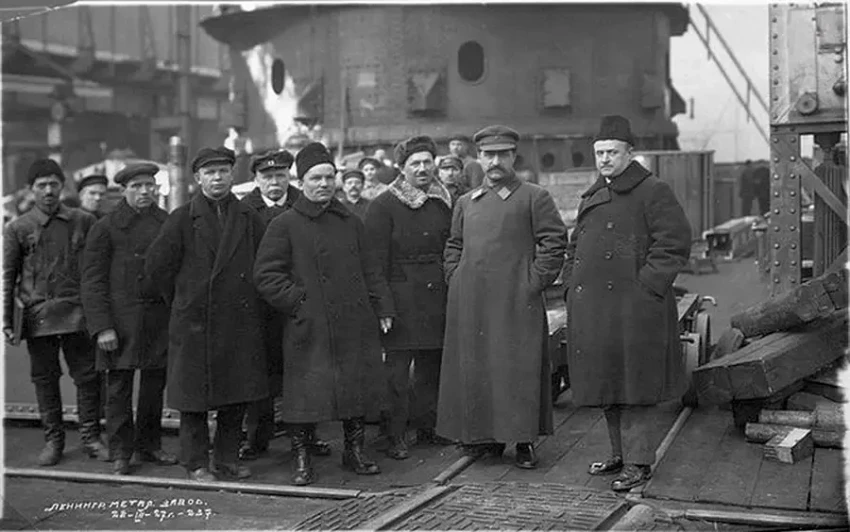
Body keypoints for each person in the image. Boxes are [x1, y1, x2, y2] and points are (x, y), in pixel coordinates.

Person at [253, 142, 394, 486]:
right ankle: (301, 457)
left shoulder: (351, 222)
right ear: (301, 182)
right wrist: (299, 303)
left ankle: (354, 451)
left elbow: (371, 268)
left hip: (353, 321)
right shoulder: (285, 224)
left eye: (330, 177)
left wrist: (382, 307)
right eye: (316, 178)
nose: (325, 184)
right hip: (308, 324)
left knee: (354, 388)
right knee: (304, 394)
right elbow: (266, 275)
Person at [564, 115, 691, 491]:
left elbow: (674, 243)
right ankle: (620, 454)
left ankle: (639, 463)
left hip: (634, 310)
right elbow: (575, 246)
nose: (605, 159)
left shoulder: (652, 190)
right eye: (600, 153)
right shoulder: (594, 194)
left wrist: (645, 289)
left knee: (635, 387)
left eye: (612, 152)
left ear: (629, 153)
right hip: (596, 309)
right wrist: (571, 285)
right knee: (609, 384)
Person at [436, 125, 567, 469]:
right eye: (488, 155)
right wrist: (455, 276)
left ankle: (524, 440)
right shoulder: (466, 202)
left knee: (517, 368)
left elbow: (554, 242)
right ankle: (485, 438)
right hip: (472, 301)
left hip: (515, 300)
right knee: (478, 367)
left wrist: (532, 282)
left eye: (502, 155)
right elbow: (454, 244)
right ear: (478, 157)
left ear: (513, 157)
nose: (495, 162)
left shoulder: (534, 197)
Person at [145, 146, 269, 482]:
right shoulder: (182, 218)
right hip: (195, 323)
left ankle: (227, 459)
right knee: (194, 401)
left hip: (238, 320)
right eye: (210, 173)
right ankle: (195, 462)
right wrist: (184, 300)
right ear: (198, 178)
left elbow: (264, 263)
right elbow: (157, 268)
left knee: (235, 395)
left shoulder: (248, 217)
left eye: (223, 171)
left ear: (232, 175)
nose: (217, 178)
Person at [2, 158, 108, 466]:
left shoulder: (83, 221)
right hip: (39, 317)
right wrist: (6, 318)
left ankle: (91, 438)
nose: (48, 191)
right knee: (45, 379)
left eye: (54, 184)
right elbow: (7, 276)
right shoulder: (18, 228)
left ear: (63, 187)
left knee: (88, 377)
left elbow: (97, 271)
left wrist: (100, 316)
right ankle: (54, 441)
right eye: (41, 185)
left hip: (78, 314)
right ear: (30, 189)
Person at [80, 163, 177, 475]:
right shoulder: (105, 227)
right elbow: (93, 281)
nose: (145, 191)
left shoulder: (166, 222)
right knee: (118, 388)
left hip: (158, 320)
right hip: (119, 324)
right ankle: (121, 451)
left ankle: (149, 444)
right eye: (137, 186)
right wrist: (102, 327)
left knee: (153, 386)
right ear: (123, 190)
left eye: (149, 185)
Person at [365, 136, 453, 460]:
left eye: (427, 162)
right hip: (400, 300)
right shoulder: (383, 205)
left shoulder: (443, 202)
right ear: (401, 168)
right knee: (397, 374)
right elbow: (374, 262)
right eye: (414, 163)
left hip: (436, 296)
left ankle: (428, 426)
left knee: (432, 367)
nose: (422, 168)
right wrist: (383, 306)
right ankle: (394, 434)